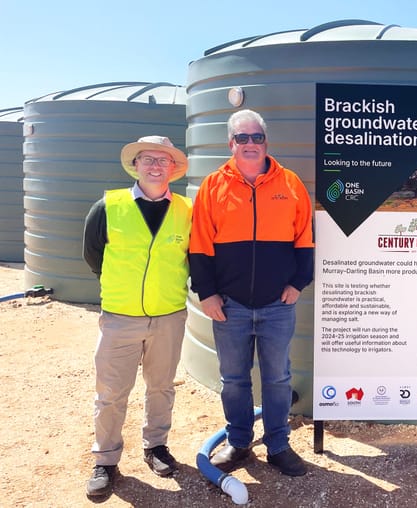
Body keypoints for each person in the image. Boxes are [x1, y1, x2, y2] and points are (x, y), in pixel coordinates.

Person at [189, 109, 314, 476]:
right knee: (233, 380)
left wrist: (297, 284)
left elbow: (305, 239)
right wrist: (207, 293)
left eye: (256, 137)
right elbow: (199, 245)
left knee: (278, 378)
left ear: (265, 142)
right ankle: (240, 442)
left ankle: (278, 445)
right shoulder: (213, 186)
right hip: (230, 305)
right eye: (242, 138)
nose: (250, 144)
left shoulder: (290, 184)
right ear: (231, 143)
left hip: (278, 304)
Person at [82, 136, 191, 497]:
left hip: (169, 316)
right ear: (136, 165)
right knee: (111, 392)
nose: (156, 166)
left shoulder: (187, 211)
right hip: (120, 317)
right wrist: (122, 289)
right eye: (148, 159)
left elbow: (195, 258)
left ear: (173, 168)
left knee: (161, 386)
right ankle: (105, 460)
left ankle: (156, 446)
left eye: (163, 160)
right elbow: (93, 255)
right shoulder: (108, 206)